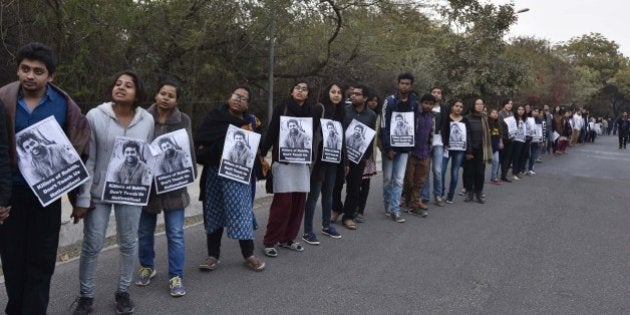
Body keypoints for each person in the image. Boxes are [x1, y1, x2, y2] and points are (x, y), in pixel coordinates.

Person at [0, 42, 90, 315]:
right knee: (13, 263)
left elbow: (80, 152)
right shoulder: (3, 99)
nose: (30, 76)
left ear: (50, 76)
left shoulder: (65, 106)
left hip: (48, 196)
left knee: (41, 263)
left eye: (38, 71)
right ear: (17, 70)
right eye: (25, 69)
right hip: (11, 196)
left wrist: (80, 198)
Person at [72, 70, 154, 315]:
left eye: (128, 85)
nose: (121, 87)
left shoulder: (147, 120)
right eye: (117, 83)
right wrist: (83, 196)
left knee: (129, 244)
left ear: (137, 92)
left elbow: (146, 156)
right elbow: (89, 158)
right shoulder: (96, 116)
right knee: (92, 245)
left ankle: (123, 293)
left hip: (131, 194)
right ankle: (86, 297)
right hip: (98, 193)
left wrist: (145, 188)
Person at [194, 85, 266, 272]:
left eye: (243, 98)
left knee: (242, 212)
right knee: (214, 212)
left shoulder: (251, 122)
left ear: (247, 104)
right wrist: (217, 153)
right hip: (214, 174)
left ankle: (249, 254)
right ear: (229, 97)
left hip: (239, 176)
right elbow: (200, 141)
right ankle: (212, 255)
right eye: (236, 95)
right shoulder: (215, 117)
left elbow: (256, 148)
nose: (238, 99)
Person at [135, 80, 196, 297]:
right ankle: (147, 267)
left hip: (173, 186)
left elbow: (188, 150)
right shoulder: (141, 117)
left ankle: (175, 276)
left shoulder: (183, 120)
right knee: (144, 231)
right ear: (156, 95)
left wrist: (189, 174)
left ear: (176, 100)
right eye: (163, 93)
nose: (166, 98)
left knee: (176, 233)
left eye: (171, 95)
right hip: (147, 186)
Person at [261, 81, 317, 257]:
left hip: (302, 164)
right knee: (282, 203)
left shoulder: (312, 112)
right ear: (292, 91)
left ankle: (288, 238)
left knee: (299, 202)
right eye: (298, 88)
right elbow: (272, 131)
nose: (301, 91)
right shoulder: (282, 108)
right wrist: (262, 152)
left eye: (304, 89)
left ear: (308, 94)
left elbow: (313, 137)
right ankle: (270, 240)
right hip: (283, 162)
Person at [302, 83, 345, 245]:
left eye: (339, 92)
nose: (336, 95)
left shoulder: (341, 112)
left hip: (333, 159)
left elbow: (342, 139)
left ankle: (326, 226)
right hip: (319, 160)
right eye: (333, 91)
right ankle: (307, 231)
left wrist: (345, 161)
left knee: (329, 195)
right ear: (327, 93)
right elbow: (309, 131)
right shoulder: (320, 109)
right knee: (313, 196)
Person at [380, 72, 418, 223]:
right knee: (388, 179)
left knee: (399, 180)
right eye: (402, 83)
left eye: (407, 83)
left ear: (411, 85)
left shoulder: (414, 103)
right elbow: (384, 125)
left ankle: (395, 210)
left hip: (404, 148)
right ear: (398, 84)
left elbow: (414, 125)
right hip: (389, 147)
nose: (404, 86)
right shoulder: (388, 101)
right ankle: (387, 206)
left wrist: (410, 145)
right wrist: (387, 147)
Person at [339, 84, 376, 230]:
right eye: (353, 93)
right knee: (335, 186)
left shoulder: (371, 115)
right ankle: (336, 209)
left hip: (359, 158)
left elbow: (370, 136)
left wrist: (366, 156)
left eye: (358, 94)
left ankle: (348, 216)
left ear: (365, 98)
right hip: (342, 156)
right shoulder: (344, 110)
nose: (353, 96)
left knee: (354, 188)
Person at [402, 93, 435, 216]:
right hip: (412, 153)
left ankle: (415, 204)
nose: (428, 106)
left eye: (431, 104)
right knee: (409, 181)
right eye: (426, 103)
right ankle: (407, 201)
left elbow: (431, 136)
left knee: (420, 181)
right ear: (421, 103)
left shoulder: (432, 117)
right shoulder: (415, 115)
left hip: (425, 153)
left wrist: (429, 151)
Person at [356, 94, 380, 223]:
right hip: (356, 152)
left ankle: (360, 210)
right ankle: (353, 207)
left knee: (365, 184)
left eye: (376, 101)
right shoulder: (358, 113)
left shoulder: (377, 116)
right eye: (371, 100)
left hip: (369, 155)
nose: (373, 103)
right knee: (355, 183)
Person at [421, 87, 447, 207]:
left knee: (437, 170)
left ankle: (438, 194)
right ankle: (425, 196)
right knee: (425, 170)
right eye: (434, 92)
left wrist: (447, 142)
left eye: (439, 93)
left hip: (439, 143)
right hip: (426, 143)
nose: (436, 94)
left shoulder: (444, 109)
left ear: (441, 96)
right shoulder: (424, 108)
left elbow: (447, 126)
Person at [462, 98, 492, 203]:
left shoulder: (484, 118)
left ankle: (479, 192)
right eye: (477, 104)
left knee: (480, 172)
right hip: (470, 149)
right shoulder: (467, 118)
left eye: (481, 104)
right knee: (469, 172)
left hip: (481, 149)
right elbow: (466, 135)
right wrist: (468, 151)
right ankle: (469, 192)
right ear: (473, 105)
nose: (480, 106)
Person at [441, 100, 470, 204]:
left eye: (461, 107)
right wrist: (444, 142)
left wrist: (468, 150)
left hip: (459, 149)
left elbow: (468, 136)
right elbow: (443, 131)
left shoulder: (465, 120)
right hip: (447, 149)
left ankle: (450, 195)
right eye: (456, 106)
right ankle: (441, 193)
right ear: (452, 107)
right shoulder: (446, 118)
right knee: (442, 171)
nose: (458, 108)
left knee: (455, 172)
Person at [498, 98, 514, 183]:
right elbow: (500, 128)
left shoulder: (511, 114)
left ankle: (504, 175)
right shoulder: (500, 114)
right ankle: (495, 175)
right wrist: (500, 141)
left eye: (511, 104)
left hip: (510, 138)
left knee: (508, 157)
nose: (510, 105)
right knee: (501, 158)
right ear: (504, 104)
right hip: (503, 138)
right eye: (508, 103)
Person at [511, 105, 527, 180]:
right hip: (515, 140)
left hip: (522, 140)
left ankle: (517, 172)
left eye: (522, 109)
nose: (521, 111)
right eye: (519, 109)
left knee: (521, 156)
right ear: (516, 110)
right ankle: (514, 173)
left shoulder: (524, 119)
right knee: (516, 157)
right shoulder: (514, 118)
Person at [488, 109, 503, 184]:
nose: (495, 114)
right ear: (489, 114)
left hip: (495, 145)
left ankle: (493, 178)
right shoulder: (487, 122)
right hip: (488, 145)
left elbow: (500, 134)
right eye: (493, 112)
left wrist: (501, 142)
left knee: (496, 161)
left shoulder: (498, 124)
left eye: (496, 113)